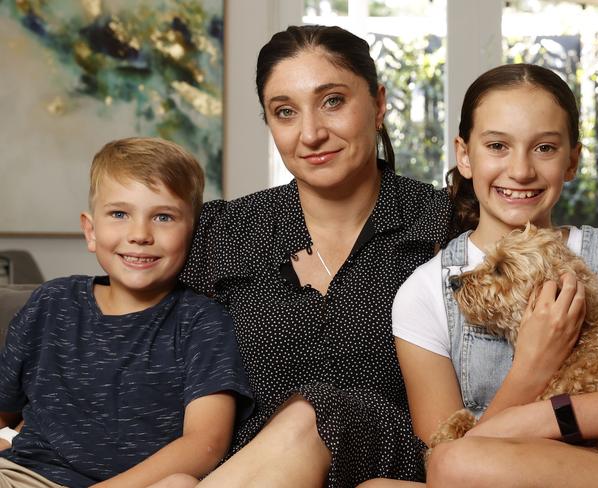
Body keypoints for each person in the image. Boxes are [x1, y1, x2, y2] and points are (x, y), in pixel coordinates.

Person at [173, 24, 459, 487]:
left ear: (379, 104)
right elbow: (138, 336)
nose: (311, 134)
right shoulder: (221, 232)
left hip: (393, 463)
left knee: (321, 409)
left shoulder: (444, 225)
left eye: (333, 101)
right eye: (285, 112)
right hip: (251, 469)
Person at [381, 64, 598, 488]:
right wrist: (532, 366)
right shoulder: (424, 293)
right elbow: (442, 464)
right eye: (497, 146)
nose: (521, 171)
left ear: (572, 160)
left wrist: (549, 415)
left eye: (544, 148)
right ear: (465, 156)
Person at [0, 137, 253, 488]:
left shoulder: (202, 322)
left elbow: (204, 445)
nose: (140, 234)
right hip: (26, 475)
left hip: (137, 485)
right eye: (119, 214)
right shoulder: (51, 303)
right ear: (90, 230)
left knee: (179, 484)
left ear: (191, 234)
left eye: (163, 217)